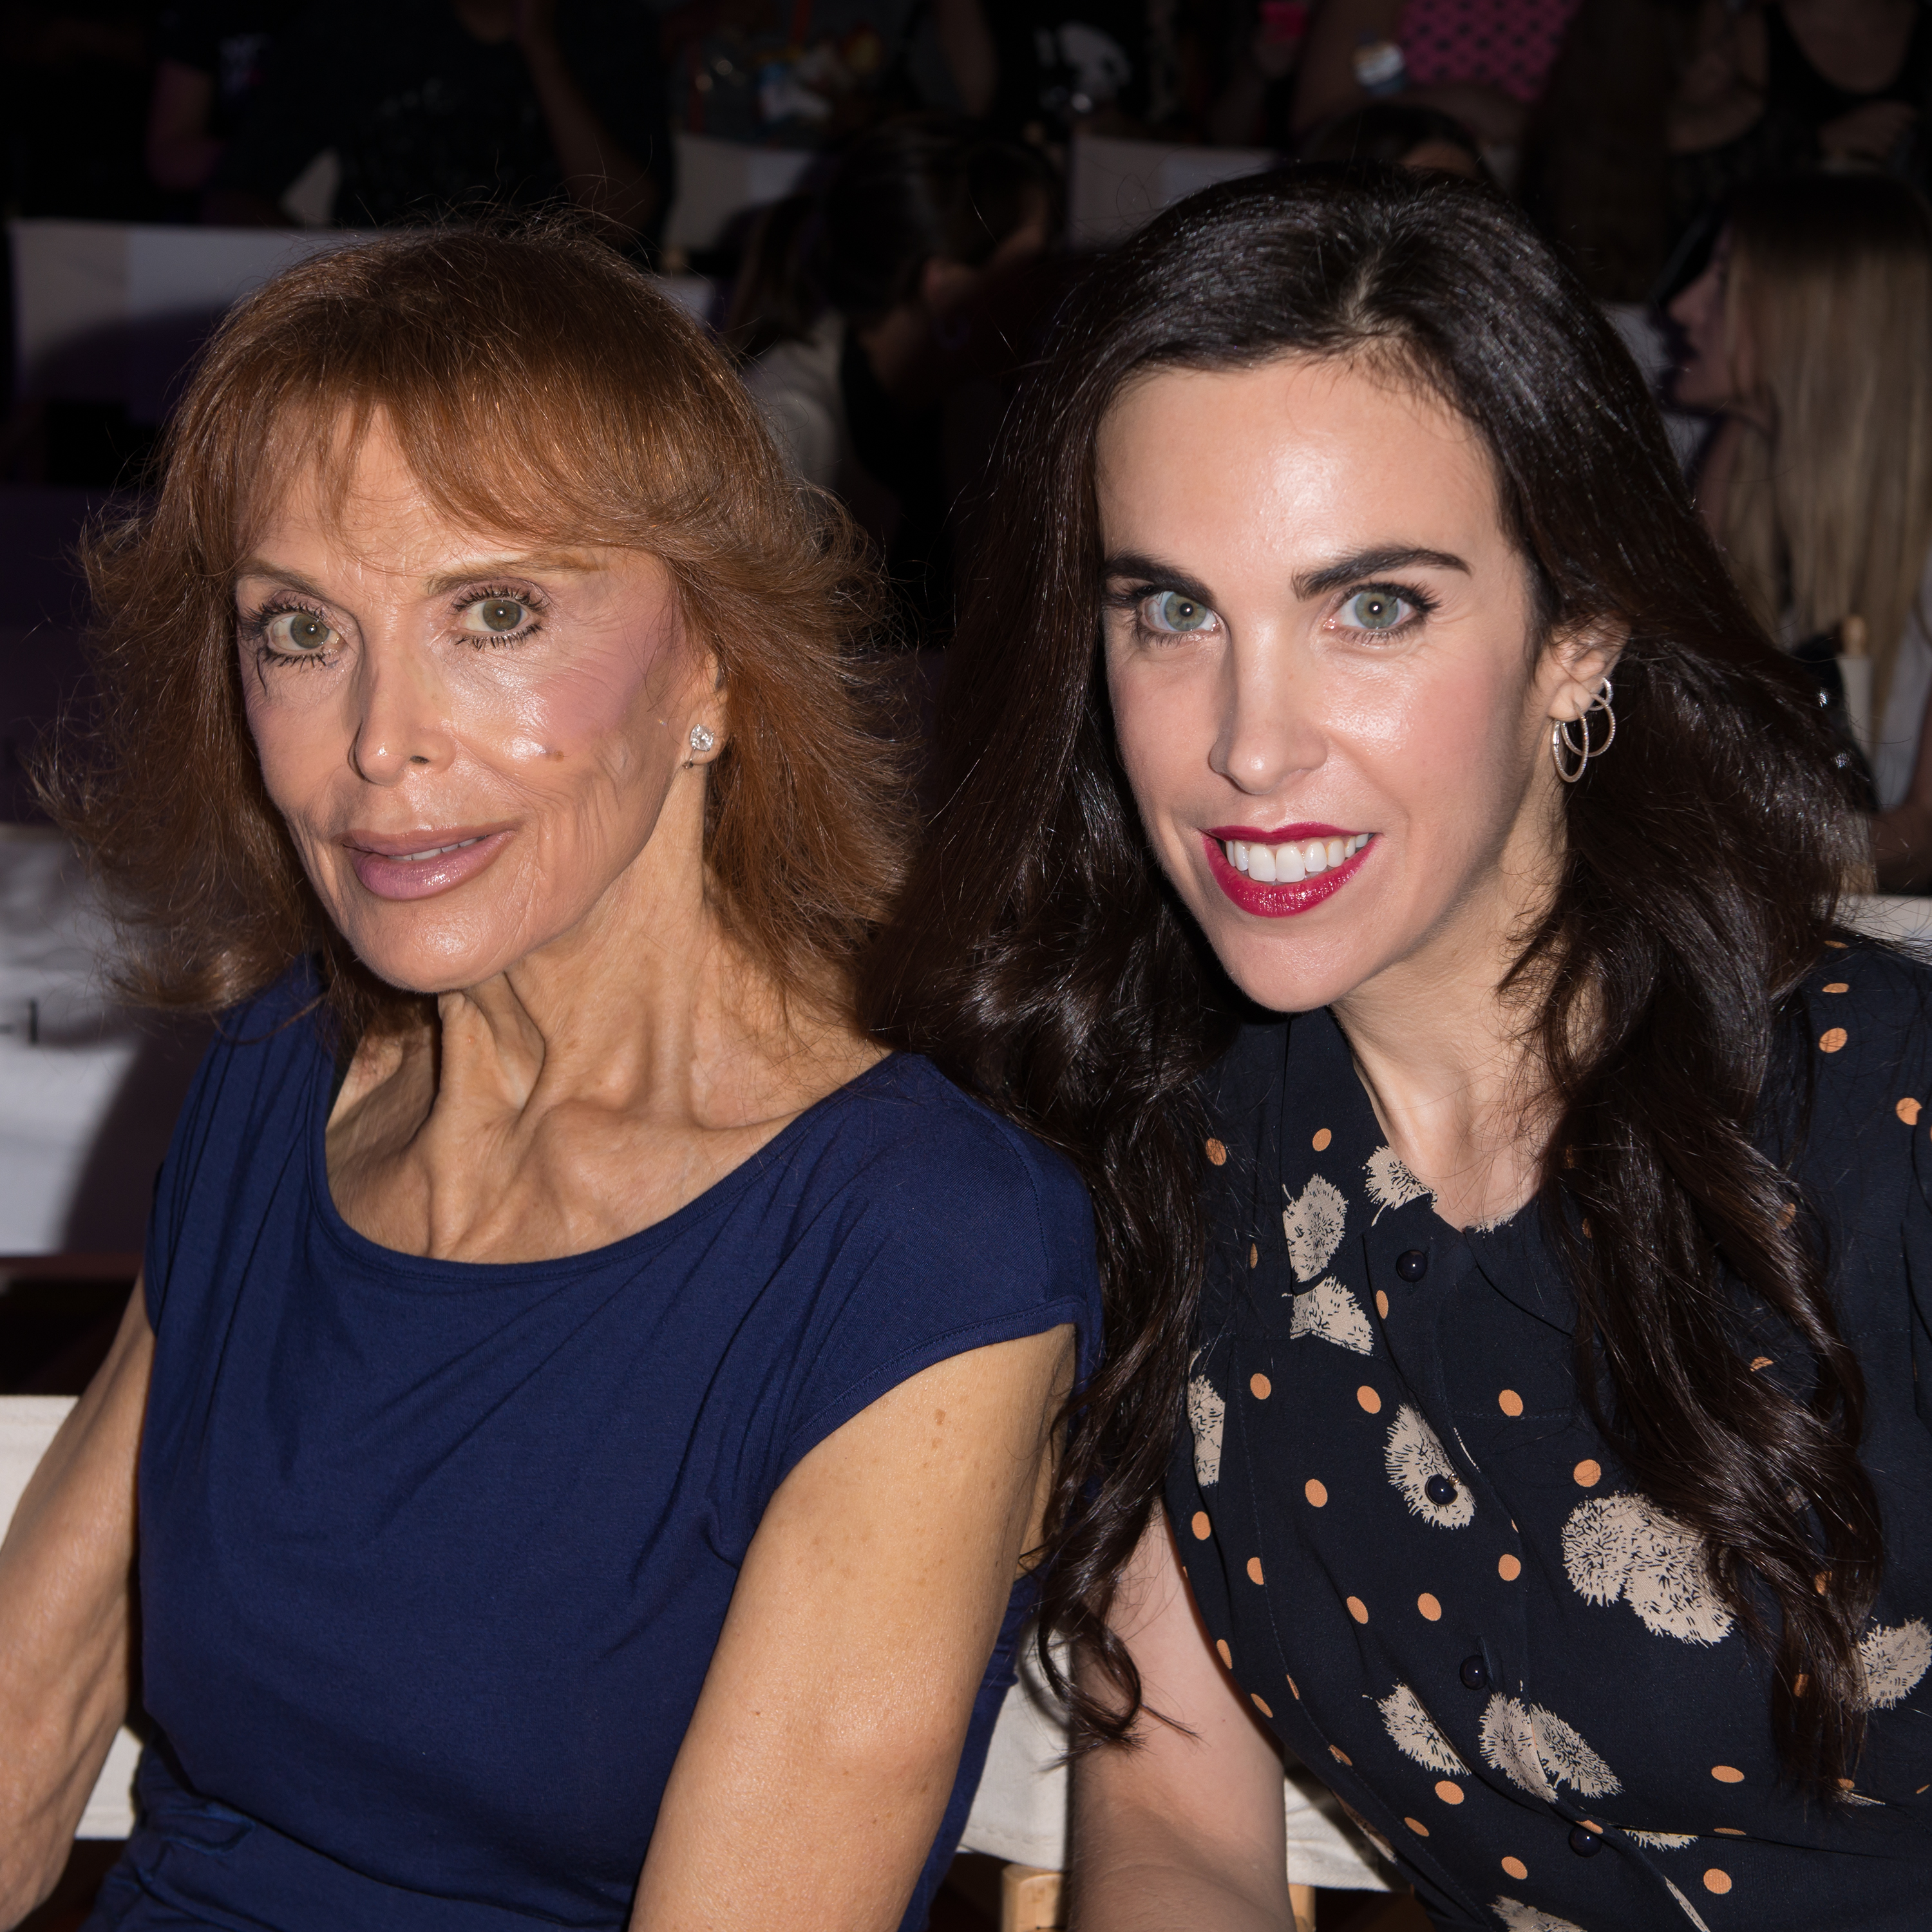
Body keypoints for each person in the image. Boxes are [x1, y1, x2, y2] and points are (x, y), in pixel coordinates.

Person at [862, 165, 1932, 1929]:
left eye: (1372, 607)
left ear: (1576, 644)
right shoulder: (1168, 1149)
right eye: (1174, 611)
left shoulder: (1878, 1123)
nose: (1248, 745)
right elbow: (1183, 1813)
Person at [0, 223, 1100, 1932]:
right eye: (298, 630)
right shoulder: (279, 1080)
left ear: (715, 665)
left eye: (494, 612)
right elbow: (29, 1708)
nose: (380, 741)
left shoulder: (915, 1250)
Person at [1669, 173, 1932, 862]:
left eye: (1723, 280)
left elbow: (1924, 827)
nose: (1682, 307)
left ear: (1814, 316)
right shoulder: (1742, 454)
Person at [738, 120, 1060, 641]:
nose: (1048, 294)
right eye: (1032, 266)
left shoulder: (971, 405)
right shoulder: (785, 428)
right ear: (946, 288)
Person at [202, 1, 672, 249]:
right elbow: (234, 194)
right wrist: (328, 276)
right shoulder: (358, 23)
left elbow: (624, 220)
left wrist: (541, 48)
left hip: (560, 320)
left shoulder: (612, 26)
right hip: (388, 315)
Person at [144, 1, 298, 197]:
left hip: (329, 210)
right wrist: (260, 163)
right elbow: (167, 155)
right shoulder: (207, 10)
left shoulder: (340, 17)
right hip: (224, 209)